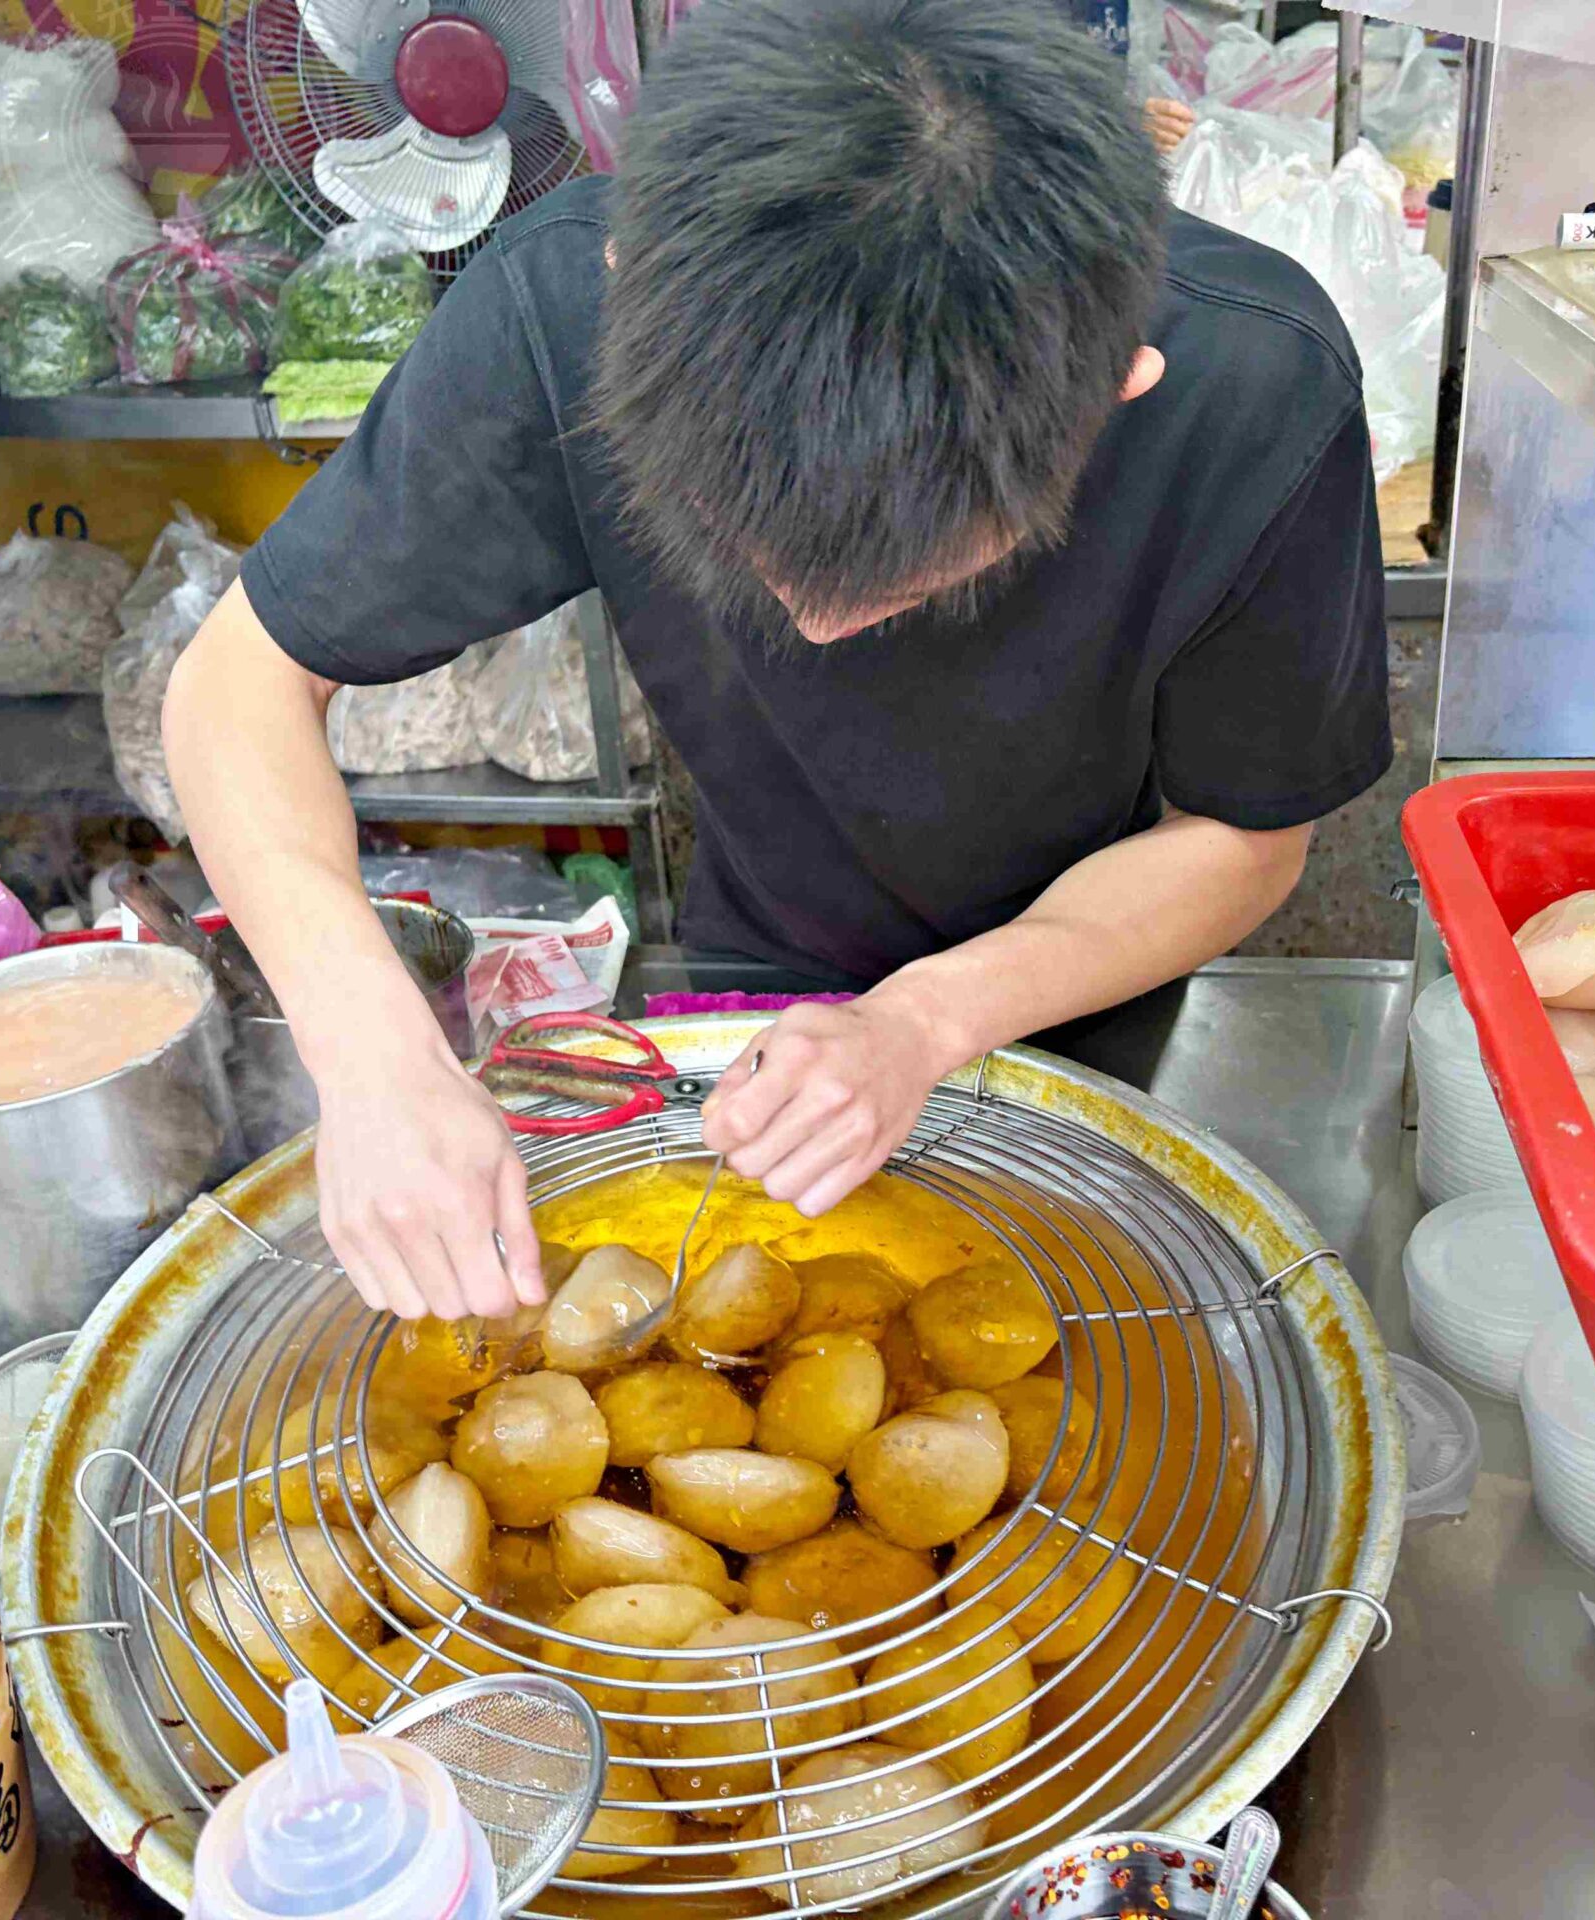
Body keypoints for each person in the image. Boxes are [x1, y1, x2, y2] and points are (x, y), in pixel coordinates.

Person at [164, 0, 1391, 1325]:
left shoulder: (1255, 389)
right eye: (756, 551)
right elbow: (238, 684)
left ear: (1116, 393)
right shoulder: (560, 303)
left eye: (909, 569)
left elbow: (1247, 839)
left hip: (1086, 965)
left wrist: (925, 1023)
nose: (812, 624)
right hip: (763, 947)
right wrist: (373, 1054)